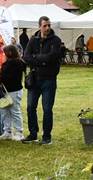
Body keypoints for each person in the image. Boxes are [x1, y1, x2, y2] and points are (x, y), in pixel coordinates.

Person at [22, 16, 64, 145]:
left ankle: (47, 136)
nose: (47, 28)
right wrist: (42, 60)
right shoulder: (33, 40)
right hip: (35, 79)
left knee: (47, 108)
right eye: (45, 25)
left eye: (49, 25)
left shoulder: (56, 41)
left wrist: (37, 58)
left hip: (49, 79)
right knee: (30, 107)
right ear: (39, 26)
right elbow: (26, 57)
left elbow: (51, 57)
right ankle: (33, 134)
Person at [0, 44, 26, 140]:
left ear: (10, 53)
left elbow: (12, 77)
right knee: (4, 111)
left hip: (14, 90)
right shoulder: (6, 63)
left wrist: (1, 78)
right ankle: (8, 131)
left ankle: (19, 132)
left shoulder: (17, 63)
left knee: (15, 111)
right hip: (5, 91)